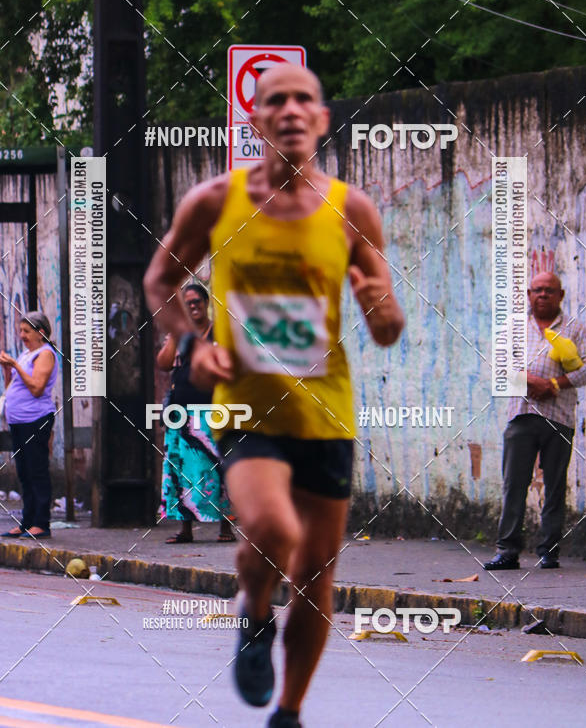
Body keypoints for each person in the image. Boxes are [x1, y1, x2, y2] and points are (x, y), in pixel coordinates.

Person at [144, 63, 405, 728]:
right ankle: (255, 613)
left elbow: (387, 324)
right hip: (246, 408)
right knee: (272, 529)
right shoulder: (215, 201)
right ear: (256, 121)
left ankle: (288, 712)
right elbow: (160, 279)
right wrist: (192, 341)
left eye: (303, 100)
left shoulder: (351, 210)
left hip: (326, 414)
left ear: (321, 119)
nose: (290, 110)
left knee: (317, 576)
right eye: (275, 100)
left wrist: (381, 308)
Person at [484, 271, 586, 571]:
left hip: (559, 417)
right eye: (537, 290)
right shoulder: (514, 326)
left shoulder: (574, 328)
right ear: (529, 294)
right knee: (514, 484)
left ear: (561, 295)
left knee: (555, 486)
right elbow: (499, 365)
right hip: (521, 415)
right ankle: (507, 551)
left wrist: (555, 384)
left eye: (549, 290)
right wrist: (530, 380)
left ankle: (550, 552)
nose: (543, 294)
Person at [157, 283, 234, 543]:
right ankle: (185, 529)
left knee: (218, 466)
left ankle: (225, 529)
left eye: (196, 301)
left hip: (213, 411)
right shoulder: (181, 336)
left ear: (206, 303)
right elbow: (163, 364)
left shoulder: (218, 333)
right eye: (187, 303)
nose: (192, 306)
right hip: (180, 412)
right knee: (180, 469)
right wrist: (174, 337)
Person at [0, 312, 58, 540]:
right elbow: (13, 386)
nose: (22, 335)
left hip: (35, 420)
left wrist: (15, 364)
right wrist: (8, 369)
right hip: (18, 421)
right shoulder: (26, 354)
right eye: (21, 330)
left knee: (37, 470)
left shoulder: (45, 354)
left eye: (26, 331)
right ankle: (27, 521)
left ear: (40, 333)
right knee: (24, 472)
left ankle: (41, 523)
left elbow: (36, 387)